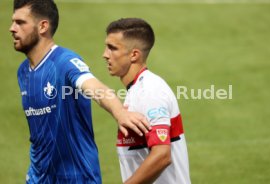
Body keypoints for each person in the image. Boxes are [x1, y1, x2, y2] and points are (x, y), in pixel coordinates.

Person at [9, 1, 150, 183]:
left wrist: (119, 112)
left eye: (20, 22)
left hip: (77, 178)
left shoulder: (64, 62)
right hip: (38, 178)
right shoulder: (23, 72)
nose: (12, 28)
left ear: (43, 26)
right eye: (13, 22)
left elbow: (95, 87)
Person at [103, 18, 191, 184]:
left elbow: (162, 156)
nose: (105, 55)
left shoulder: (150, 92)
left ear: (134, 55)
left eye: (112, 48)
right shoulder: (136, 90)